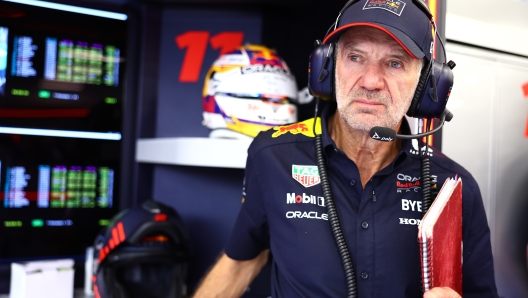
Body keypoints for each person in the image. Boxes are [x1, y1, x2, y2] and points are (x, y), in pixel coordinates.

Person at [193, 0, 498, 297]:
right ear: (327, 66)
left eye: (394, 62)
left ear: (426, 84)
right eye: (355, 57)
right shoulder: (272, 156)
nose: (370, 80)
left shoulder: (454, 187)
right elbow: (243, 260)